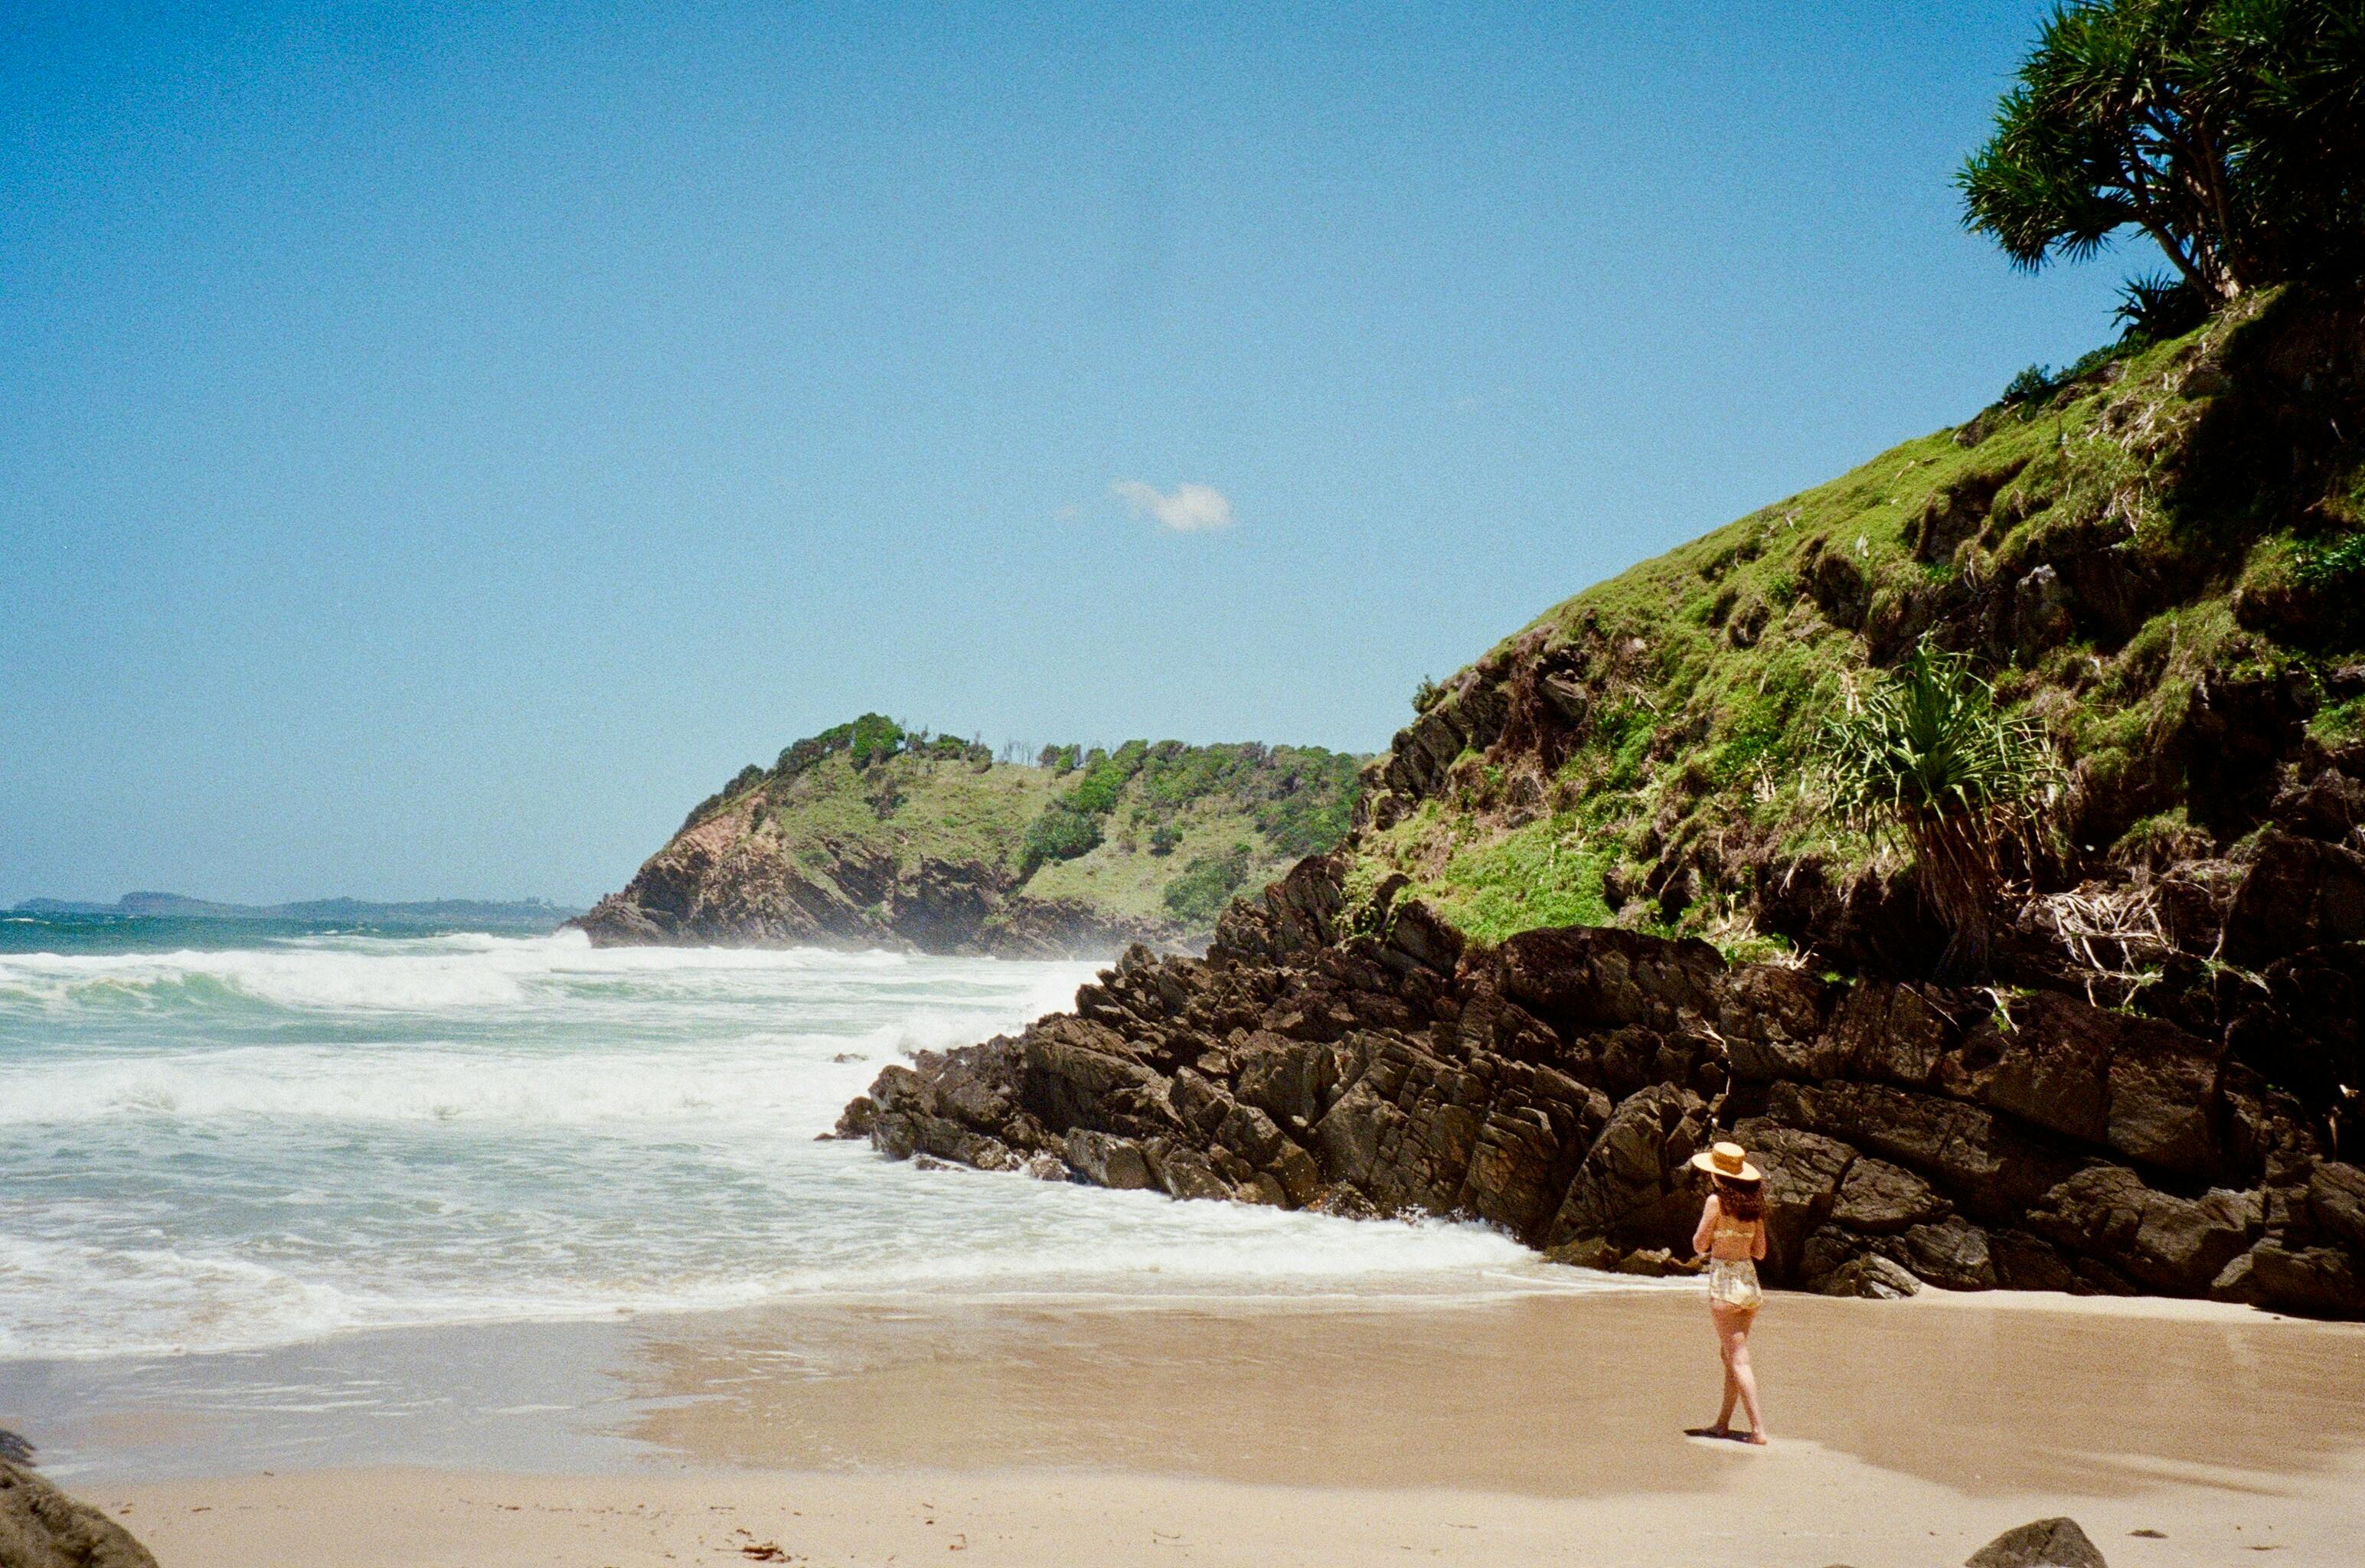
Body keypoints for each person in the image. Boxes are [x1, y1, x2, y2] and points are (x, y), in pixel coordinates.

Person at [1688, 1140, 1769, 1445]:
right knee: (1730, 1356)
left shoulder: (1716, 1202)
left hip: (1724, 1284)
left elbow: (1699, 1244)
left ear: (1717, 1175)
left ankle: (1758, 1430)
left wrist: (1717, 1238)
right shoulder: (1754, 1207)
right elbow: (1760, 1251)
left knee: (1738, 1359)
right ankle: (1723, 1423)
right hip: (1749, 1284)